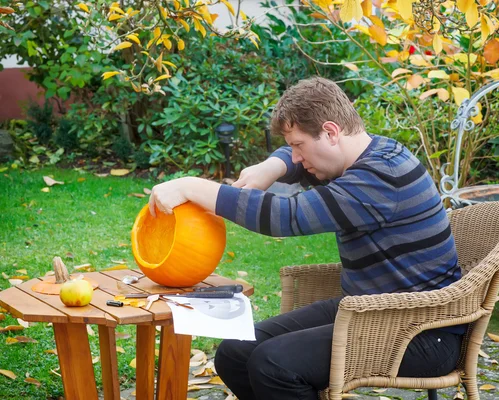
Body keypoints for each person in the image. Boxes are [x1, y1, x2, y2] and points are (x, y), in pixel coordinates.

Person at [148, 77, 464, 400]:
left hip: (421, 331)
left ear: (330, 132)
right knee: (234, 354)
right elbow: (299, 163)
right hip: (366, 310)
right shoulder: (370, 153)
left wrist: (192, 187)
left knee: (273, 366)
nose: (296, 156)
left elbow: (288, 215)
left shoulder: (379, 178)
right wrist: (271, 166)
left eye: (298, 145)